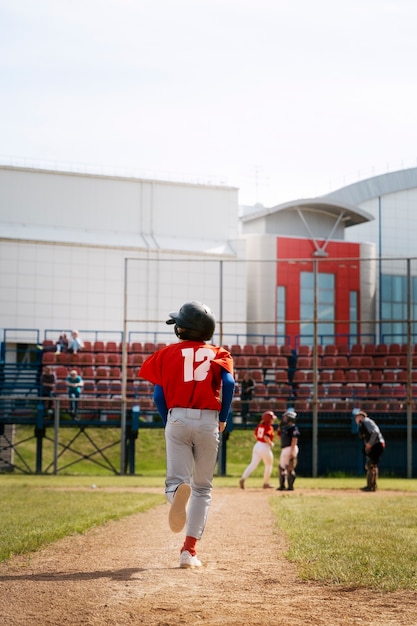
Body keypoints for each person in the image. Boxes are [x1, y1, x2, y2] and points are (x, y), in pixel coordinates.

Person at [139, 301, 235, 569]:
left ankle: (176, 493)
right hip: (208, 421)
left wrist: (168, 419)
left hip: (178, 417)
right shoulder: (220, 353)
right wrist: (223, 417)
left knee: (177, 482)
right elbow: (229, 383)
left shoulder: (166, 353)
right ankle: (188, 551)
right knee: (203, 488)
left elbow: (158, 394)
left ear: (183, 329)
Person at [239, 410, 277, 490]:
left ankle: (243, 478)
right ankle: (266, 483)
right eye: (272, 418)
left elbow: (255, 434)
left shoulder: (260, 425)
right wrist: (270, 443)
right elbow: (266, 437)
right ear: (269, 420)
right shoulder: (269, 427)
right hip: (264, 446)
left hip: (257, 445)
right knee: (268, 465)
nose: (273, 420)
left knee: (253, 464)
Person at [353, 409, 385, 492]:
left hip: (377, 444)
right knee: (372, 465)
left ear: (360, 416)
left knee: (370, 464)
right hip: (376, 444)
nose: (355, 419)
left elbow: (375, 433)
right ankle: (372, 486)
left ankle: (370, 486)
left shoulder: (366, 421)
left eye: (356, 417)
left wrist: (370, 444)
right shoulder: (363, 425)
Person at [277, 408, 300, 491]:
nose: (284, 419)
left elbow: (294, 439)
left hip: (290, 447)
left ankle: (290, 486)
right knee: (281, 467)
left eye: (286, 418)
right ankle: (282, 485)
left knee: (290, 467)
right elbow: (280, 437)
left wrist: (292, 451)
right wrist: (280, 428)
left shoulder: (293, 428)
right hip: (285, 448)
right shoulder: (284, 428)